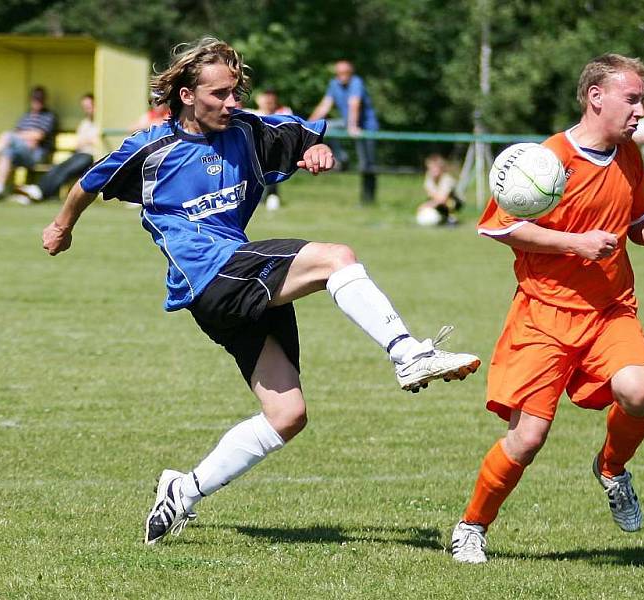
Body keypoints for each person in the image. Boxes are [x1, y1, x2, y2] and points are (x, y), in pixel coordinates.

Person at [41, 37, 480, 546]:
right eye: (220, 94)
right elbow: (89, 183)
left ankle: (182, 492)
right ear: (186, 95)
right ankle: (406, 353)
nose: (233, 103)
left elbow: (305, 138)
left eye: (236, 92)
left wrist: (316, 149)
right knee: (336, 256)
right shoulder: (150, 149)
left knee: (288, 416)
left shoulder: (248, 131)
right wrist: (61, 225)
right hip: (209, 276)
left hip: (236, 280)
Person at [449, 54, 644, 564]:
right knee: (528, 437)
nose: (640, 111)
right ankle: (471, 526)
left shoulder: (628, 155)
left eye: (641, 101)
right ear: (596, 97)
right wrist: (574, 244)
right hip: (544, 315)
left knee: (639, 390)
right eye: (631, 100)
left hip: (611, 310)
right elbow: (501, 227)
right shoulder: (545, 158)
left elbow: (639, 229)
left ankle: (611, 469)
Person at [309, 60, 378, 204]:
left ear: (351, 73)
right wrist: (308, 125)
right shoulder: (334, 84)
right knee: (326, 128)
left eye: (345, 73)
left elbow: (354, 104)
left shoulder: (356, 83)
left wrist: (352, 126)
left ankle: (368, 200)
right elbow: (325, 106)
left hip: (366, 127)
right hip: (348, 123)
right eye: (339, 73)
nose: (342, 76)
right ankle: (342, 157)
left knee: (367, 164)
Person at [14, 93, 101, 203]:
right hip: (80, 153)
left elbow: (96, 141)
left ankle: (40, 192)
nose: (87, 110)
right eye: (85, 107)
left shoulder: (101, 123)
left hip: (92, 156)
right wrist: (88, 140)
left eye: (89, 107)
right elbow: (80, 143)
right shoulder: (85, 123)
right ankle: (38, 190)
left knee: (67, 170)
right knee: (59, 167)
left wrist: (87, 141)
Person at [0, 86, 57, 200]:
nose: (37, 101)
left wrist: (21, 137)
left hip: (37, 155)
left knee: (6, 136)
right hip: (23, 151)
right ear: (31, 99)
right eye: (35, 98)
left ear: (44, 100)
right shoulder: (26, 116)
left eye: (40, 99)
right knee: (6, 152)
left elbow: (39, 136)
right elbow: (21, 134)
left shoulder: (49, 116)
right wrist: (27, 138)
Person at [248, 89, 294, 210]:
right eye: (266, 98)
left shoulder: (283, 113)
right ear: (258, 100)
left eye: (271, 99)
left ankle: (268, 195)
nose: (269, 101)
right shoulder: (250, 114)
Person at [416, 154, 463, 226]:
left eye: (435, 168)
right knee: (431, 201)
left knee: (449, 202)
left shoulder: (447, 180)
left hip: (454, 201)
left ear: (441, 169)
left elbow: (443, 199)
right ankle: (440, 218)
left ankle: (451, 219)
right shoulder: (429, 178)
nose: (433, 171)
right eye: (430, 168)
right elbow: (431, 193)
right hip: (439, 199)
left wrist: (426, 205)